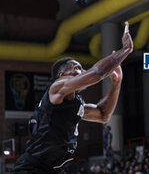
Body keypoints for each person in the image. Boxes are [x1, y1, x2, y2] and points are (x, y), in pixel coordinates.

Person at [12, 23, 133, 174]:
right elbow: (97, 73)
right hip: (32, 168)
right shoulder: (56, 88)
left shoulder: (76, 103)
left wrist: (116, 83)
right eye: (77, 68)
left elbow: (103, 114)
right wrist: (125, 50)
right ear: (62, 75)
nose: (82, 71)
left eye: (82, 68)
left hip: (54, 169)